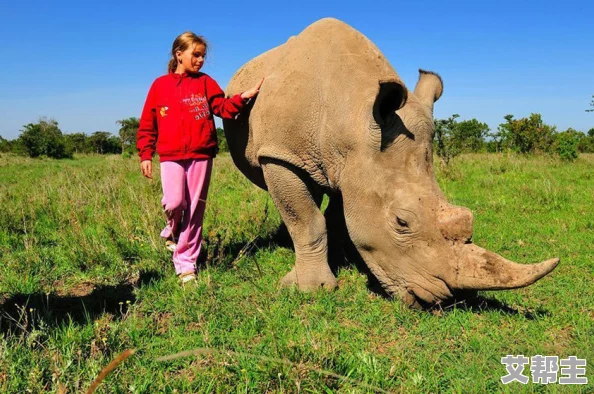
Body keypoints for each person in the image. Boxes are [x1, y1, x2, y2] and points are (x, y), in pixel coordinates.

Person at [136, 31, 263, 284]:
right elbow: (148, 123)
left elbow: (221, 108)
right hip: (171, 155)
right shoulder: (159, 85)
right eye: (196, 54)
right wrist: (145, 153)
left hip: (202, 153)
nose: (200, 60)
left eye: (203, 56)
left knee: (194, 210)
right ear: (179, 54)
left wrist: (242, 99)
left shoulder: (206, 83)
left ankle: (186, 265)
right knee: (174, 203)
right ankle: (172, 230)